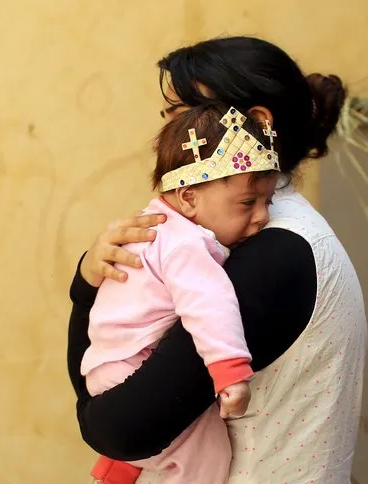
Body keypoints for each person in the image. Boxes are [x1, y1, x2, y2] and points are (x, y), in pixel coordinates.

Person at [67, 36, 367, 483]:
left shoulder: (274, 254)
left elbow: (118, 427)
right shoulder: (235, 235)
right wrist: (93, 273)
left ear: (255, 122)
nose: (166, 134)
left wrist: (85, 294)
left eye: (184, 116)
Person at [83, 105, 279, 483]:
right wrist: (230, 373)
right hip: (132, 365)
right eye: (247, 203)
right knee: (207, 455)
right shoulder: (187, 245)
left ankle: (118, 466)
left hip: (108, 364)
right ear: (189, 197)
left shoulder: (156, 227)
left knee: (174, 431)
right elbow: (210, 304)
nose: (263, 216)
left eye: (267, 201)